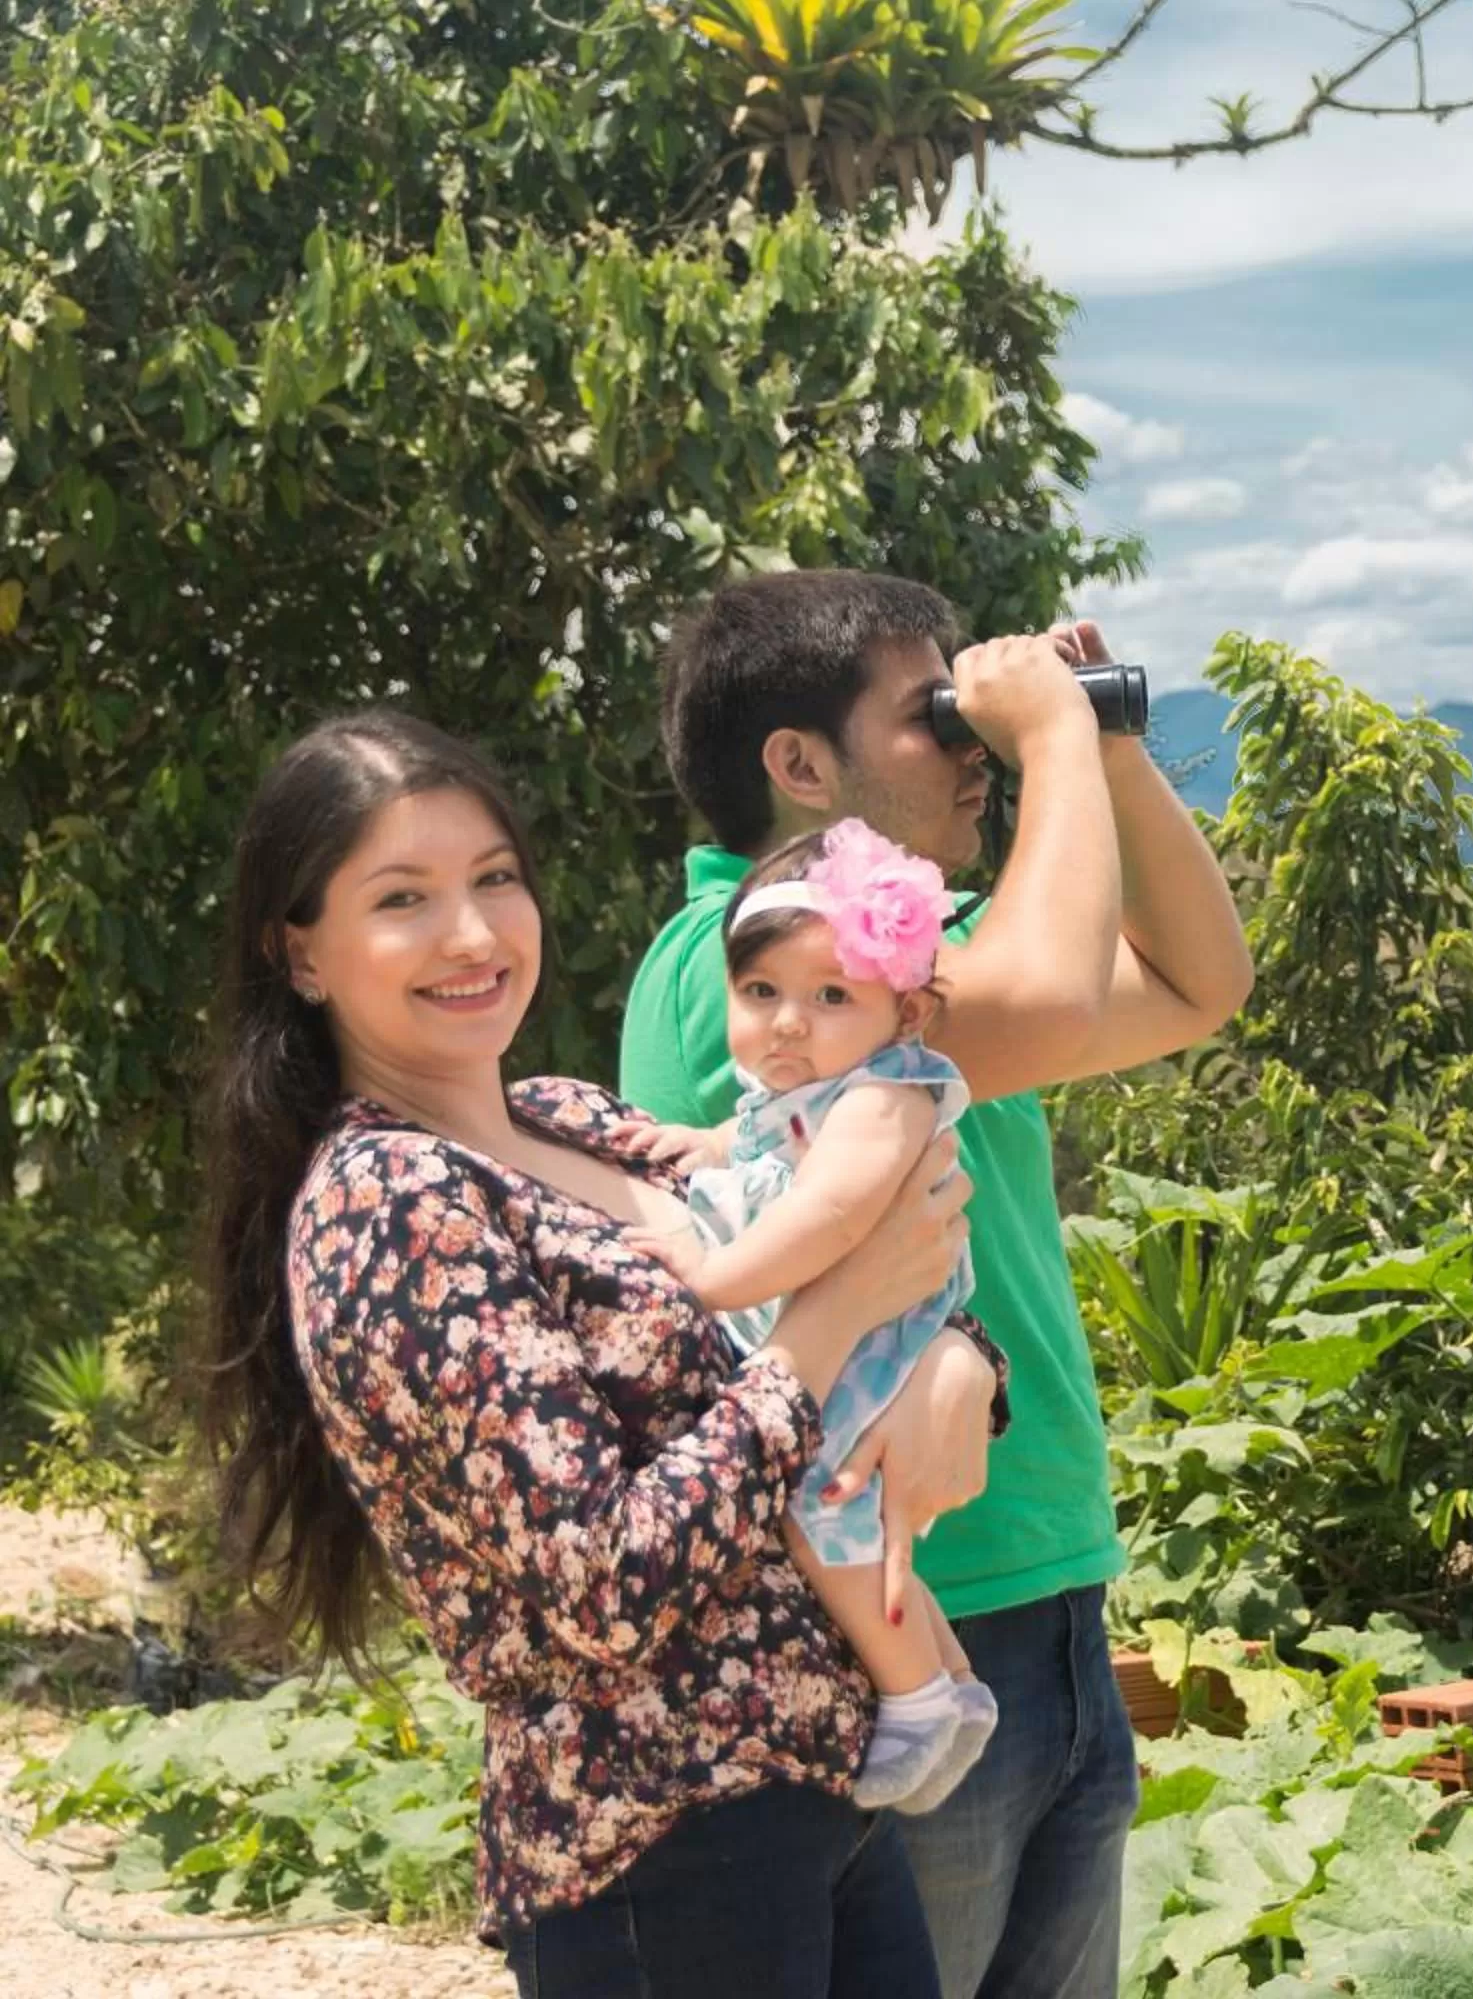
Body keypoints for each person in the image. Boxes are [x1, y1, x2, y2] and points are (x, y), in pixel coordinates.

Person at [195, 710, 1008, 1997]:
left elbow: (850, 1281)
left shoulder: (574, 1119)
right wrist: (831, 1325)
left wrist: (961, 1363)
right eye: (403, 898)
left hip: (822, 1790)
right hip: (655, 1845)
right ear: (301, 952)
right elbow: (602, 1581)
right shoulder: (394, 1208)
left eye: (495, 879)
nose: (472, 935)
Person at [621, 571, 1252, 1999]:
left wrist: (1111, 749)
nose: (967, 744)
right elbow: (1061, 991)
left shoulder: (906, 984)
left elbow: (1201, 981)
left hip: (1046, 1598)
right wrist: (1046, 743)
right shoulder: (748, 976)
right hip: (901, 1623)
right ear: (798, 765)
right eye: (931, 719)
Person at [621, 820, 996, 1814]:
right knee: (848, 1505)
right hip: (868, 1319)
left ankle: (914, 1696)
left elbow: (830, 1210)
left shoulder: (885, 1096)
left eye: (832, 995)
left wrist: (709, 1278)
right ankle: (950, 1678)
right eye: (761, 992)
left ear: (903, 1010)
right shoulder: (810, 1088)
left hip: (889, 1326)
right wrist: (703, 1145)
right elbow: (768, 1154)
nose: (788, 1021)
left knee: (823, 1491)